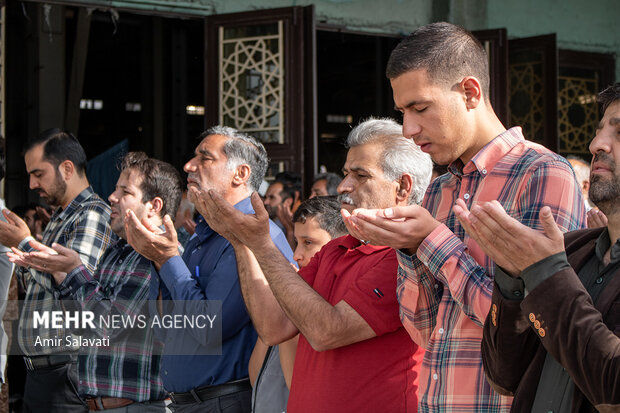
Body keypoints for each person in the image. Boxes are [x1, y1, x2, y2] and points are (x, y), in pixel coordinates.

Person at [341, 23, 587, 412]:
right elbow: (425, 331)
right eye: (403, 112)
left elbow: (531, 325)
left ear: (470, 92)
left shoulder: (541, 174)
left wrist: (432, 242)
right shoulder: (440, 190)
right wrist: (408, 249)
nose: (409, 129)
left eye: (420, 108)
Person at [198, 118, 433, 412]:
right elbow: (274, 327)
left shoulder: (405, 257)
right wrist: (240, 240)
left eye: (360, 176)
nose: (345, 186)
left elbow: (326, 332)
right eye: (346, 173)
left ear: (402, 187)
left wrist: (261, 244)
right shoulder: (336, 248)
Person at [453, 83, 620, 412]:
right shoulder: (572, 251)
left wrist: (547, 273)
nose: (596, 144)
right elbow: (504, 376)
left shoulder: (555, 261)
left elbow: (613, 387)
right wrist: (513, 278)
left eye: (618, 132)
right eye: (599, 130)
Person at [124, 126, 295, 413]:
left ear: (240, 174)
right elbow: (165, 328)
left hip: (223, 401)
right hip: (189, 402)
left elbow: (209, 328)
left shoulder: (255, 236)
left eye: (205, 158)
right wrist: (157, 258)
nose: (189, 166)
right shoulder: (204, 233)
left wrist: (168, 259)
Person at [10, 152, 183, 411]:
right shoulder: (119, 251)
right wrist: (62, 273)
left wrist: (74, 271)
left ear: (154, 206)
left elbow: (108, 327)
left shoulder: (154, 255)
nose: (112, 197)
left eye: (125, 192)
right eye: (115, 189)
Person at [0, 129, 115, 412]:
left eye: (38, 174)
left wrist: (24, 243)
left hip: (66, 371)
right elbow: (35, 281)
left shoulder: (92, 213)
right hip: (43, 372)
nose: (31, 184)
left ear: (66, 168)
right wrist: (25, 251)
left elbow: (74, 283)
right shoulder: (61, 217)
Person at [248, 195, 347, 412]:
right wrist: (281, 300)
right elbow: (256, 376)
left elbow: (296, 382)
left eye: (308, 243)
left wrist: (292, 303)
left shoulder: (333, 308)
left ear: (339, 244)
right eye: (296, 242)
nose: (296, 255)